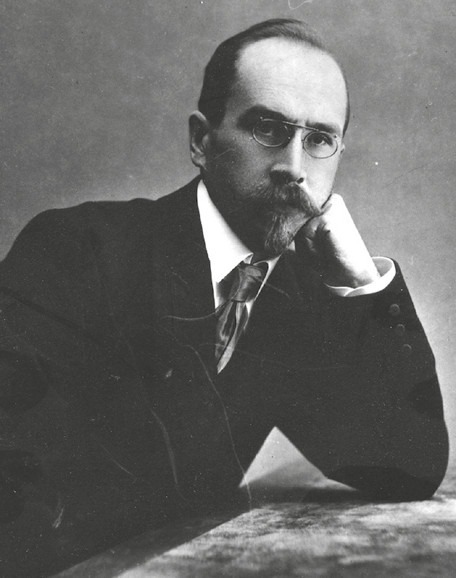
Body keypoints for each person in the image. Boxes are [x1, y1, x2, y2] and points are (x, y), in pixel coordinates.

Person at [0, 18, 448, 577]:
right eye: (268, 128)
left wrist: (361, 281)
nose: (294, 167)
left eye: (318, 139)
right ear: (200, 141)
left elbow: (407, 469)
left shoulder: (301, 298)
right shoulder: (76, 251)